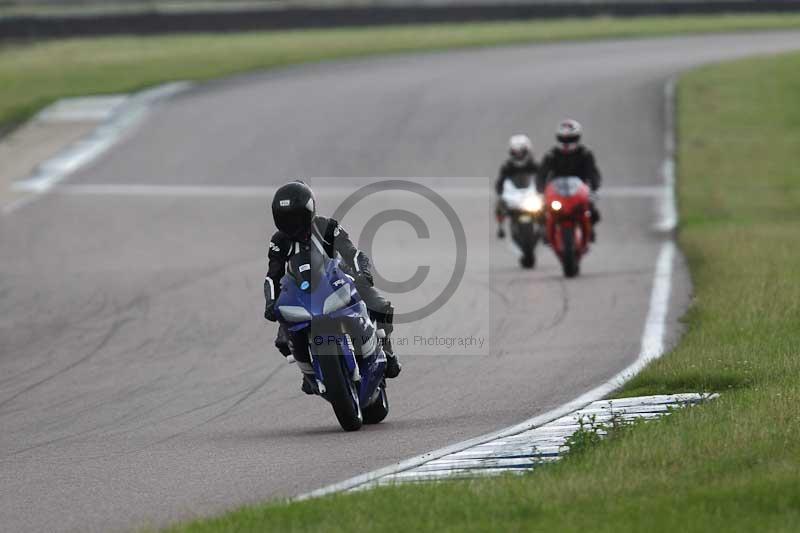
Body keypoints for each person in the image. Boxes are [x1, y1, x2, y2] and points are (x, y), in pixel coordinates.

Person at [263, 181, 401, 394]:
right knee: (283, 339)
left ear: (308, 212)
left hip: (341, 281)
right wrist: (271, 302)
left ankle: (388, 351)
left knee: (380, 306)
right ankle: (308, 370)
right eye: (285, 218)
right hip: (302, 294)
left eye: (296, 217)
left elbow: (353, 253)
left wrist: (362, 273)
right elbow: (273, 276)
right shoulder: (279, 241)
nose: (292, 224)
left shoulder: (327, 227)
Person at [537, 119, 602, 241]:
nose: (566, 143)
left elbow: (593, 173)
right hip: (556, 191)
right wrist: (540, 191)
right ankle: (545, 230)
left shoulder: (585, 154)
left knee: (591, 208)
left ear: (577, 138)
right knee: (541, 210)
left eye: (570, 139)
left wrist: (594, 187)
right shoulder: (551, 155)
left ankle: (590, 229)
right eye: (563, 139)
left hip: (579, 191)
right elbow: (541, 174)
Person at [494, 134, 539, 239]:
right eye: (515, 153)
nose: (519, 156)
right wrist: (501, 193)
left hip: (530, 195)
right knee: (499, 205)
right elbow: (500, 182)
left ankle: (545, 228)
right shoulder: (507, 167)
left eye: (521, 153)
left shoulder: (533, 165)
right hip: (514, 196)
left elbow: (542, 179)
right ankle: (501, 227)